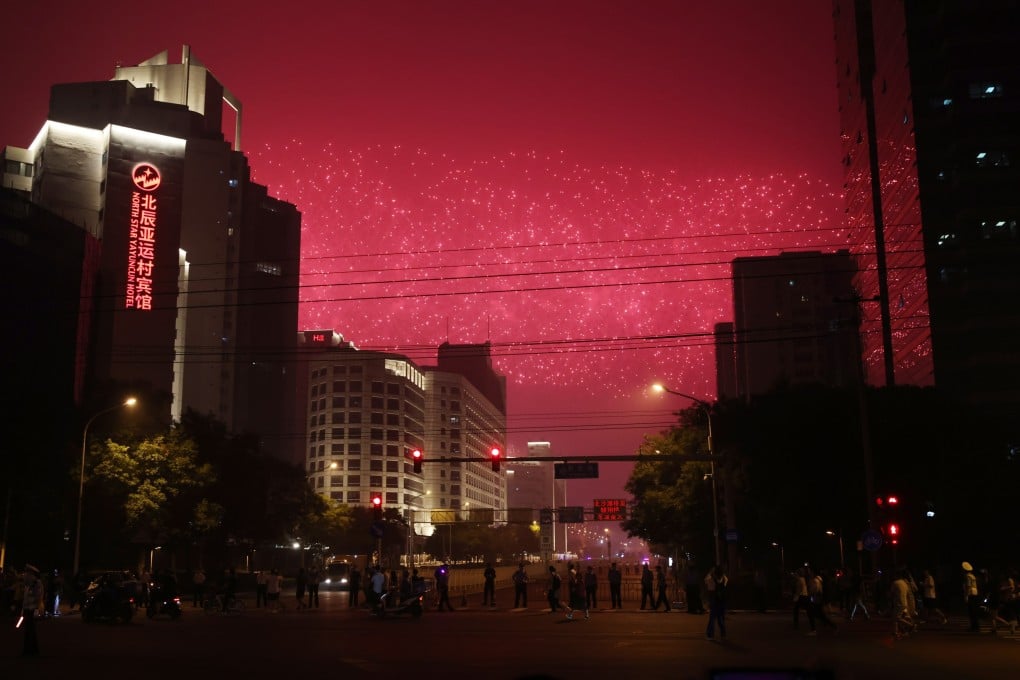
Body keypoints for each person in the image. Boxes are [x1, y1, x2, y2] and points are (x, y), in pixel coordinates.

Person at [21, 564, 43, 657]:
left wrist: (37, 609)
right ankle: (32, 650)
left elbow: (38, 597)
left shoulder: (36, 583)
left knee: (30, 631)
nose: (25, 574)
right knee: (29, 631)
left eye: (27, 572)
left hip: (32, 609)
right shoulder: (28, 584)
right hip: (27, 609)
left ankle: (30, 650)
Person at [808, 568, 838, 635]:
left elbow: (814, 590)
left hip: (816, 599)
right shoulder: (819, 579)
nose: (809, 573)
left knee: (812, 614)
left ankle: (814, 630)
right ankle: (833, 626)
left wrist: (811, 595)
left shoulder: (815, 580)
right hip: (819, 599)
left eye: (810, 572)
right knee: (820, 615)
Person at [890, 568, 917, 639]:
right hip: (905, 602)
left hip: (898, 602)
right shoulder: (905, 583)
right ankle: (896, 632)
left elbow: (891, 593)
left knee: (897, 618)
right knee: (896, 617)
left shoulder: (895, 583)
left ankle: (910, 625)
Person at [705, 564, 728, 642]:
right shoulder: (724, 579)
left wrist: (710, 573)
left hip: (714, 601)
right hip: (722, 601)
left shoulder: (711, 580)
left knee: (712, 619)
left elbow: (706, 581)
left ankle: (710, 635)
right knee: (720, 619)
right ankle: (723, 634)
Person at [792, 567, 816, 633]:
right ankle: (813, 628)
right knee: (809, 612)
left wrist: (795, 598)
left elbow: (798, 589)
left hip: (802, 597)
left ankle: (796, 625)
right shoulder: (807, 579)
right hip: (807, 596)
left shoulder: (800, 579)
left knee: (796, 610)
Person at [963, 561, 980, 632]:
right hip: (975, 594)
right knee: (974, 611)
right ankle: (976, 626)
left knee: (971, 611)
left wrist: (966, 596)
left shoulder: (967, 576)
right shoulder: (973, 576)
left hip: (971, 595)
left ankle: (974, 627)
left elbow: (968, 586)